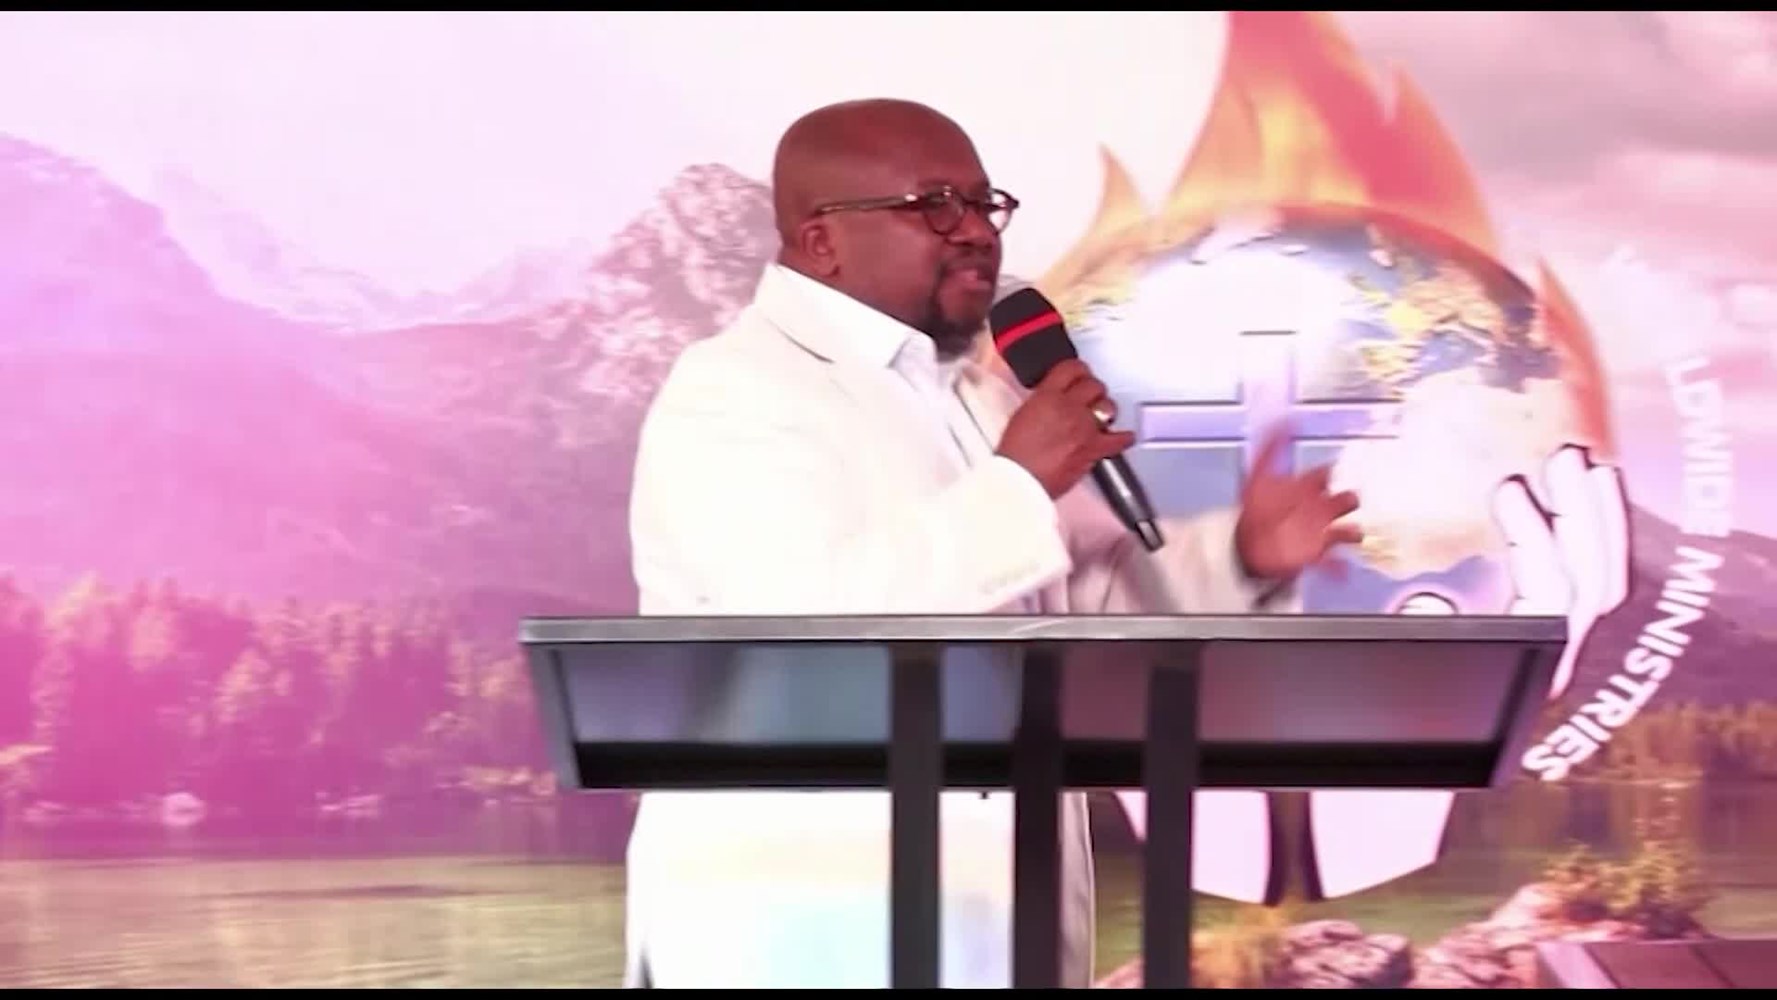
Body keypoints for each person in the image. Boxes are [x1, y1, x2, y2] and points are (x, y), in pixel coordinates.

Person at [623, 97, 1362, 988]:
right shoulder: (736, 391)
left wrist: (1241, 556)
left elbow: (1079, 601)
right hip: (801, 933)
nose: (976, 231)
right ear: (822, 241)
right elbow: (802, 623)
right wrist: (1017, 481)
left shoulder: (977, 396)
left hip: (1001, 925)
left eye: (984, 203)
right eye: (936, 205)